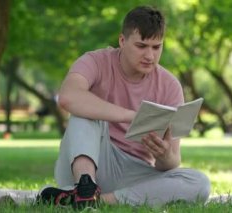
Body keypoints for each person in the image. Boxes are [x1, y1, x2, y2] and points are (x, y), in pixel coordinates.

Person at [37, 5, 210, 209]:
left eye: (157, 47)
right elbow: (67, 97)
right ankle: (85, 189)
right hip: (91, 162)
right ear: (122, 40)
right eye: (141, 46)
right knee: (84, 110)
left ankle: (92, 201)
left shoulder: (170, 85)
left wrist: (163, 155)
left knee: (199, 183)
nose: (150, 56)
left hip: (136, 172)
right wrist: (131, 116)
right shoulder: (95, 61)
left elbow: (171, 163)